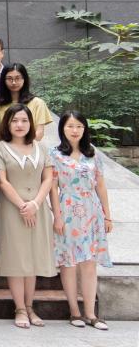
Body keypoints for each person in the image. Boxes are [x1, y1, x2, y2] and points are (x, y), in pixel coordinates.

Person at [0, 104, 57, 329]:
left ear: (31, 124)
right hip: (12, 210)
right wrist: (22, 206)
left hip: (38, 209)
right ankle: (19, 308)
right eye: (15, 120)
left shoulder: (41, 148)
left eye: (24, 120)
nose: (19, 125)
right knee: (16, 259)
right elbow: (2, 181)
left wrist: (35, 204)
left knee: (33, 258)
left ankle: (30, 307)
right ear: (7, 123)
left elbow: (48, 179)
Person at [50, 111, 113, 331]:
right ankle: (74, 311)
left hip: (92, 210)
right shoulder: (55, 154)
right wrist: (57, 216)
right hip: (68, 210)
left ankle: (91, 313)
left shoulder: (92, 153)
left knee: (89, 263)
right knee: (69, 263)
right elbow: (53, 188)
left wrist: (107, 215)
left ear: (84, 129)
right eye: (70, 126)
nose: (74, 130)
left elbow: (101, 185)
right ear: (62, 129)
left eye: (78, 126)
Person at [0, 63, 53, 141]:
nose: (14, 82)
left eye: (17, 78)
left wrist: (23, 146)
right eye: (9, 78)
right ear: (3, 81)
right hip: (4, 147)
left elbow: (39, 133)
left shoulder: (38, 103)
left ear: (24, 79)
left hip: (31, 146)